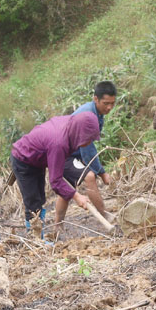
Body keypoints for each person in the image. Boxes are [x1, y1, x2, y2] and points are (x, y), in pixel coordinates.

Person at [10, 112, 101, 239]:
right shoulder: (58, 143)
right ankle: (34, 239)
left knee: (40, 199)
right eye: (88, 139)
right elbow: (56, 182)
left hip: (38, 159)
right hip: (23, 160)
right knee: (33, 203)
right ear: (80, 135)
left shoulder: (71, 125)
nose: (90, 142)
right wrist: (77, 196)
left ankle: (37, 236)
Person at [62, 81, 117, 223]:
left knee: (66, 189)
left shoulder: (97, 112)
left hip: (72, 152)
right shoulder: (87, 115)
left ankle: (57, 225)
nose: (110, 107)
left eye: (112, 103)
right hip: (64, 154)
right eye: (106, 103)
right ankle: (105, 216)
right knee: (90, 176)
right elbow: (87, 149)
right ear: (95, 99)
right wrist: (102, 172)